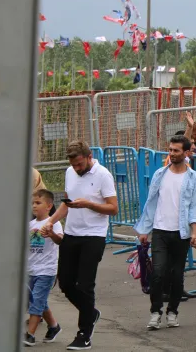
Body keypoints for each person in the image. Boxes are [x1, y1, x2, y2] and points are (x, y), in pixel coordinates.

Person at [40, 141, 118, 351]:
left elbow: (113, 208)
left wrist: (89, 204)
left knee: (85, 285)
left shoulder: (103, 175)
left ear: (89, 156)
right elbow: (67, 203)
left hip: (93, 236)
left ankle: (84, 334)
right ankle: (90, 312)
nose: (77, 168)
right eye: (74, 165)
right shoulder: (69, 172)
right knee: (65, 283)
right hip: (72, 234)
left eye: (80, 164)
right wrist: (50, 221)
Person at [135, 135, 196, 331]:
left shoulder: (193, 178)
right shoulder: (159, 174)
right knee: (157, 273)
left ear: (186, 153)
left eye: (176, 151)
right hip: (160, 231)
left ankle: (172, 312)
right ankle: (155, 312)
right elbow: (151, 204)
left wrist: (194, 232)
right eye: (170, 150)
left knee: (176, 276)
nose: (171, 154)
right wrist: (144, 230)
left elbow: (194, 208)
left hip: (180, 232)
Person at [24, 189, 63, 347]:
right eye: (33, 202)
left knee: (37, 302)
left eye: (38, 203)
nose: (34, 206)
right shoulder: (30, 225)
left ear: (49, 206)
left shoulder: (54, 223)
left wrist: (52, 233)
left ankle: (30, 335)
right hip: (30, 270)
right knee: (36, 300)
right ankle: (54, 327)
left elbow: (60, 240)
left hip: (46, 271)